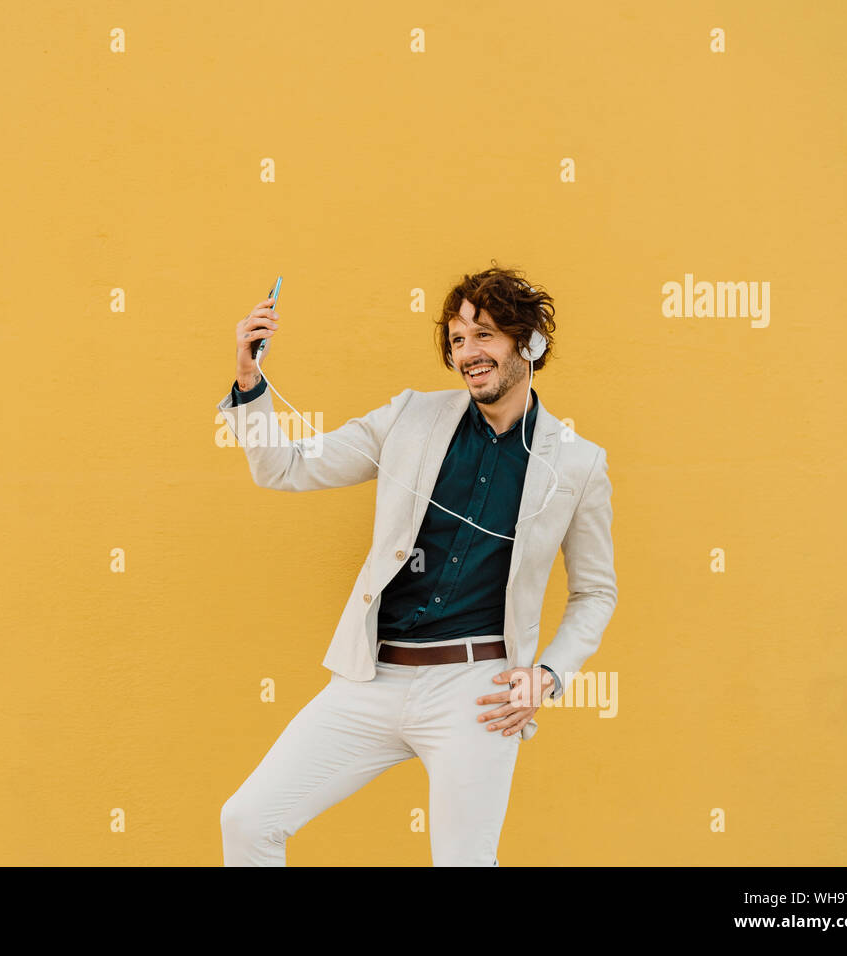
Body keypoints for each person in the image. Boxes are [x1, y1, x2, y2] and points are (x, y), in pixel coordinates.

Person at [216, 264, 617, 865]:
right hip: (370, 678)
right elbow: (284, 467)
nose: (468, 352)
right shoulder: (409, 418)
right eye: (457, 339)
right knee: (248, 821)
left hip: (476, 689)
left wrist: (550, 674)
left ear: (527, 342)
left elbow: (594, 593)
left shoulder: (579, 464)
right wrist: (250, 378)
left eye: (484, 334)